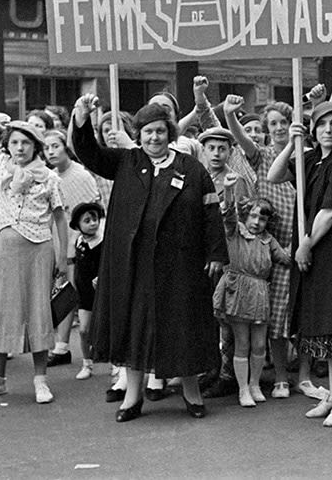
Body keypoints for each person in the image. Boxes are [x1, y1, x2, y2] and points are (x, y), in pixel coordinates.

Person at [71, 96, 227, 422]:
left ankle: (191, 392)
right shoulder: (127, 163)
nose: (154, 138)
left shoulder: (191, 168)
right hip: (134, 265)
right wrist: (82, 119)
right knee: (135, 326)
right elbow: (89, 153)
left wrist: (215, 253)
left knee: (180, 326)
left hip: (180, 266)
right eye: (147, 132)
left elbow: (211, 213)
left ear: (169, 132)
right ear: (138, 134)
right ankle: (132, 396)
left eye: (159, 131)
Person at [267, 101, 332, 427]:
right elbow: (275, 175)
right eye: (322, 124)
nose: (329, 129)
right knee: (327, 323)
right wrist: (291, 143)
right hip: (317, 250)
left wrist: (305, 244)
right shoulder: (312, 159)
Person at [0, 115, 69, 404]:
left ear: (36, 147)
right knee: (1, 308)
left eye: (26, 143)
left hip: (39, 249)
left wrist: (62, 257)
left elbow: (59, 218)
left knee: (38, 309)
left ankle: (40, 380)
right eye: (15, 142)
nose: (20, 148)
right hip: (5, 246)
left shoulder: (50, 177)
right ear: (8, 145)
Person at [223, 96, 327, 401]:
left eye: (285, 122)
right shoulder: (264, 155)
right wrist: (231, 116)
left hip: (308, 241)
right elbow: (240, 137)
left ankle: (304, 376)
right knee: (279, 315)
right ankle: (281, 376)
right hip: (277, 247)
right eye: (274, 124)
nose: (280, 127)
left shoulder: (309, 155)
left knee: (307, 313)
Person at [213, 172, 291, 407]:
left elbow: (286, 258)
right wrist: (228, 190)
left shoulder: (269, 240)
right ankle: (243, 388)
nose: (257, 222)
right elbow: (226, 214)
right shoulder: (236, 232)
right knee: (242, 343)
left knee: (259, 344)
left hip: (260, 294)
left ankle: (255, 384)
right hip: (238, 292)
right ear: (246, 216)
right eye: (253, 216)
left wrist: (304, 241)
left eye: (263, 219)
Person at [43, 129, 101, 368]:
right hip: (57, 243)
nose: (51, 151)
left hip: (77, 246)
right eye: (46, 148)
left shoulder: (81, 176)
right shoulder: (50, 176)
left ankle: (67, 346)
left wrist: (77, 244)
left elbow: (89, 213)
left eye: (55, 146)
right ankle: (62, 344)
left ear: (66, 147)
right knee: (64, 293)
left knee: (74, 294)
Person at [69, 201, 105, 381]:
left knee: (107, 329)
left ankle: (116, 366)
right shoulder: (79, 241)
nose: (93, 223)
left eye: (95, 219)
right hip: (84, 294)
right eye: (87, 220)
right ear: (78, 225)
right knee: (84, 330)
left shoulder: (103, 242)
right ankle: (86, 363)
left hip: (102, 293)